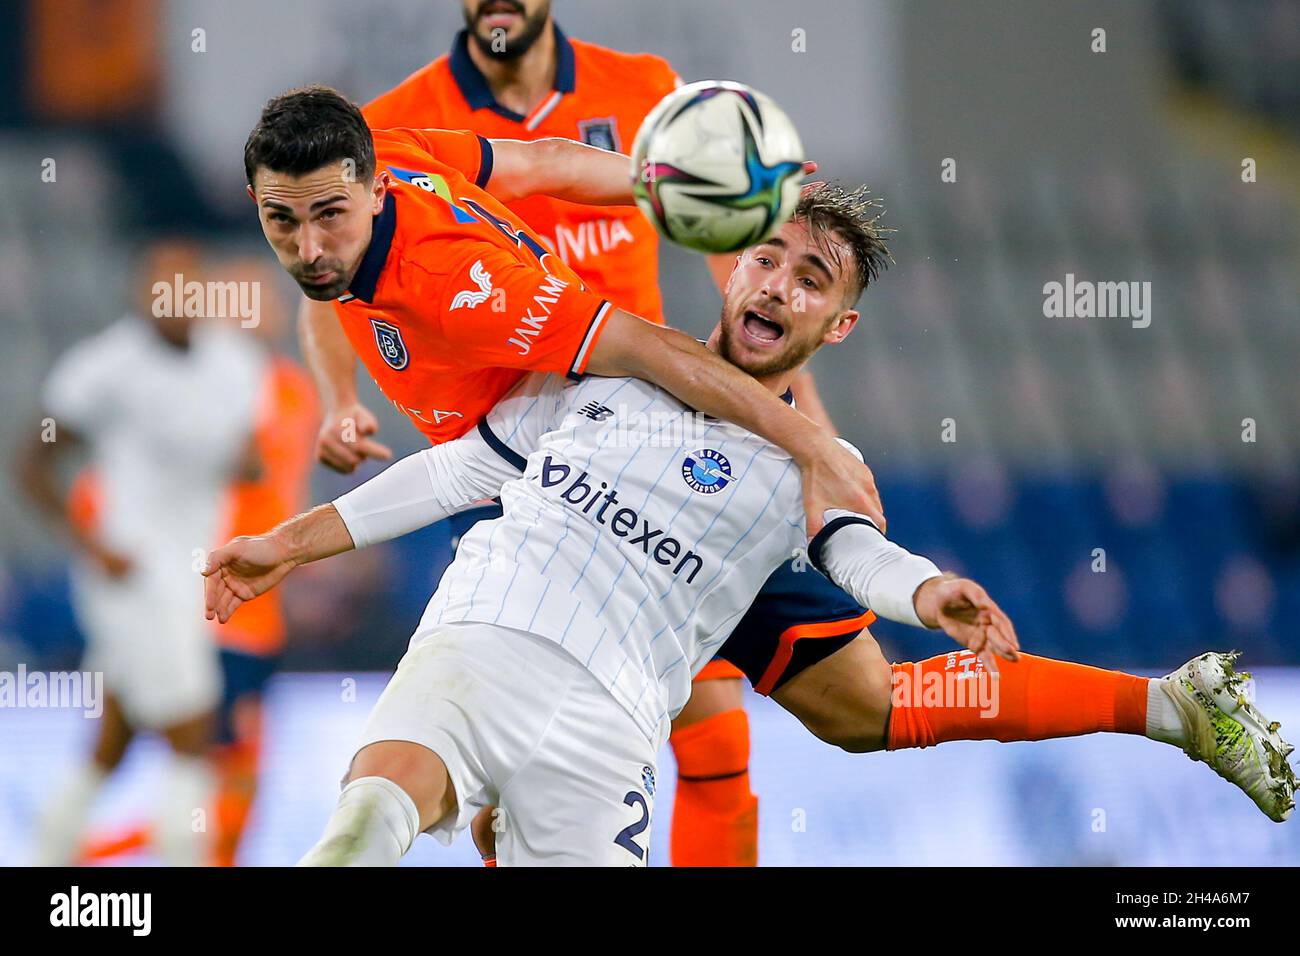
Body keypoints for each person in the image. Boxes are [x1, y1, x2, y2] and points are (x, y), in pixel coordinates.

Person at [206, 188, 1294, 865]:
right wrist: (287, 544)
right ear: (730, 264)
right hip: (526, 632)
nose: (775, 281)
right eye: (766, 257)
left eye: (808, 277)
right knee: (396, 816)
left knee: (863, 709)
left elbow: (851, 545)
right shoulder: (607, 362)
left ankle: (1165, 702)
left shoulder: (809, 463)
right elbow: (452, 471)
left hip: (675, 618)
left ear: (839, 322)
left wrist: (923, 592)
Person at [301, 0, 837, 866]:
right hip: (508, 456)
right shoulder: (394, 122)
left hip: (649, 436)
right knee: (499, 793)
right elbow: (330, 283)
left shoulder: (645, 90)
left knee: (716, 744)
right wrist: (337, 397)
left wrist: (804, 427)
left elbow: (742, 278)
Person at [20, 238, 266, 866]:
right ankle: (186, 853)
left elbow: (246, 460)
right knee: (196, 728)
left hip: (192, 566)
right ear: (140, 294)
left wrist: (248, 464)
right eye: (161, 287)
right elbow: (32, 462)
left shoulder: (236, 364)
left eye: (186, 286)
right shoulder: (104, 367)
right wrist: (90, 544)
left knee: (114, 739)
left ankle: (48, 852)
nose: (174, 300)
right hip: (129, 571)